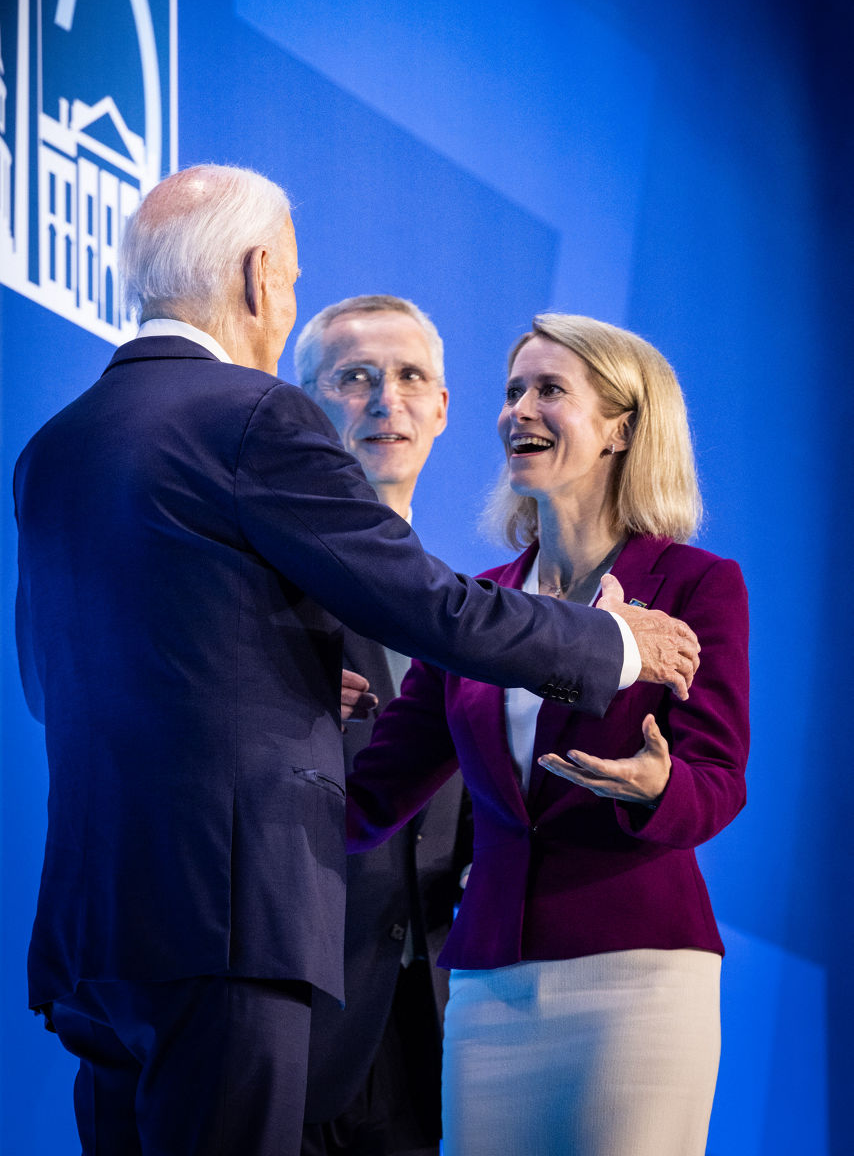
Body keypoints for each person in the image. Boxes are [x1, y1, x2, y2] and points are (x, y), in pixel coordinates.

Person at [12, 170, 700, 1156]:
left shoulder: (54, 445)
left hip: (96, 934)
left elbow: (49, 675)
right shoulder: (252, 414)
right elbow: (425, 605)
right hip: (232, 921)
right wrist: (612, 639)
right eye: (288, 281)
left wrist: (264, 674)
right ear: (255, 278)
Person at [346, 313, 749, 1156]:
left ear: (621, 428)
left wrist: (658, 788)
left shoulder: (695, 584)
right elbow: (372, 794)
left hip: (638, 975)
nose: (519, 410)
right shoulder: (479, 604)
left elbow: (717, 778)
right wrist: (286, 718)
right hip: (489, 987)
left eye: (550, 391)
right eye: (513, 391)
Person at [295, 295, 468, 1156]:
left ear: (442, 407)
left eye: (409, 377)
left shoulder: (471, 612)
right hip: (293, 1017)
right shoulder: (256, 588)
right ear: (303, 406)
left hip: (429, 1026)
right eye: (354, 377)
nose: (384, 401)